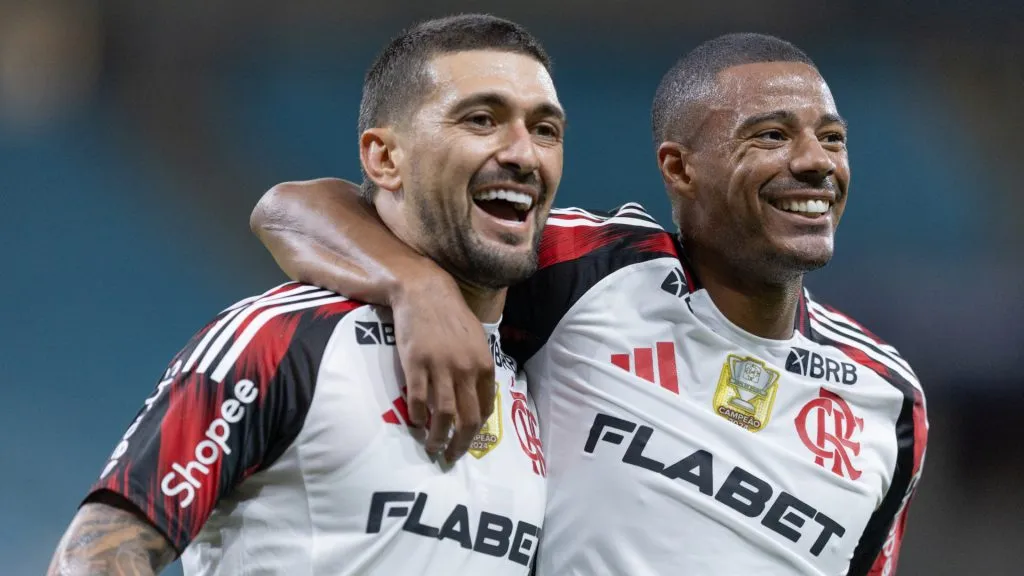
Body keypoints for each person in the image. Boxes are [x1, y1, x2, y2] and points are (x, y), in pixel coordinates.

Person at [251, 33, 929, 575]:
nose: (816, 162)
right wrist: (417, 286)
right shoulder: (594, 268)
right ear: (678, 168)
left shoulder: (890, 400)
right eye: (772, 136)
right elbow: (293, 209)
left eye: (833, 138)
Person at [48, 14, 565, 576]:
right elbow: (95, 555)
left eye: (545, 129)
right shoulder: (279, 340)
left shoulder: (538, 373)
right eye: (482, 120)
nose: (524, 153)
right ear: (384, 158)